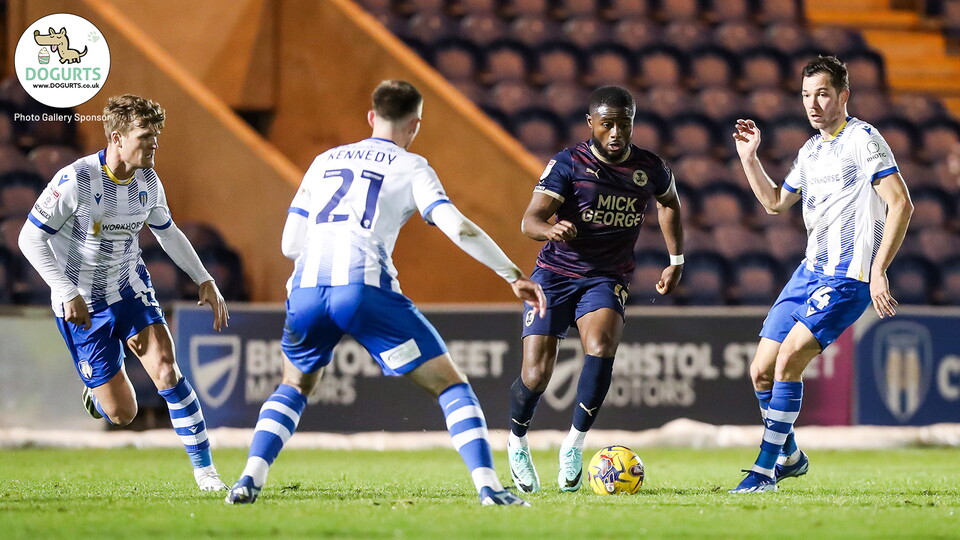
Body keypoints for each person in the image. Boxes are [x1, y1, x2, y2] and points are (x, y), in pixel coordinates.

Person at [225, 80, 547, 506]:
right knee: (452, 386)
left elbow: (289, 244)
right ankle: (489, 487)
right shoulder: (412, 166)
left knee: (294, 384)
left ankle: (249, 479)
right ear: (415, 124)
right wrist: (511, 273)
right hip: (364, 288)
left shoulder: (324, 160)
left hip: (306, 289)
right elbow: (459, 227)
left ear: (372, 116)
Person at [18, 94, 231, 491]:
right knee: (122, 413)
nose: (154, 145)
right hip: (81, 301)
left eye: (156, 137)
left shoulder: (148, 181)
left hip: (130, 288)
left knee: (168, 370)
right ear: (117, 138)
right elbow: (29, 237)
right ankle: (97, 392)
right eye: (145, 136)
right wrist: (66, 291)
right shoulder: (75, 180)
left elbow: (168, 232)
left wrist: (204, 277)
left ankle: (206, 474)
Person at [729, 56, 913, 493]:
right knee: (760, 372)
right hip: (808, 273)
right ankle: (790, 456)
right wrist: (749, 158)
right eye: (807, 94)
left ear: (843, 96)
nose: (812, 103)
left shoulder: (863, 140)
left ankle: (764, 471)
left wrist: (879, 270)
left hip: (848, 277)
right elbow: (775, 202)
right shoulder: (810, 150)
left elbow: (901, 203)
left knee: (790, 359)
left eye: (822, 93)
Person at [506, 86, 684, 493]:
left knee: (601, 347)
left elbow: (669, 202)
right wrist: (551, 228)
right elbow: (529, 221)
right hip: (554, 274)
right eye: (607, 124)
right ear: (591, 124)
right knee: (536, 375)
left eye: (625, 123)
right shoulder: (568, 164)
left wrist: (676, 261)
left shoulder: (650, 167)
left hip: (606, 276)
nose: (617, 132)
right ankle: (517, 442)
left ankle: (574, 444)